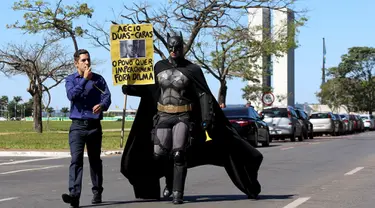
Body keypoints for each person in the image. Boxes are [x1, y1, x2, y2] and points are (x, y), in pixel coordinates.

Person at [120, 31, 263, 204]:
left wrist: (207, 117)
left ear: (182, 48)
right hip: (163, 115)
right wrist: (128, 85)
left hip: (183, 116)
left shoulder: (192, 69)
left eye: (177, 47)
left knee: (179, 153)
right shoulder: (158, 67)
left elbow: (203, 94)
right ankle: (170, 181)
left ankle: (177, 192)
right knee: (160, 154)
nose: (174, 50)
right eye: (171, 47)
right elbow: (148, 89)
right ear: (168, 47)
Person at [62, 49, 111, 208]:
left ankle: (97, 191)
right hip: (77, 126)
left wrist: (102, 105)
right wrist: (83, 80)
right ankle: (74, 195)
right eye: (83, 60)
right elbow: (72, 96)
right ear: (76, 63)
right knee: (76, 160)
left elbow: (107, 97)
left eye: (88, 60)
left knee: (95, 161)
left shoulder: (98, 79)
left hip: (94, 126)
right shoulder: (71, 80)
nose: (87, 63)